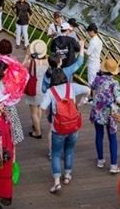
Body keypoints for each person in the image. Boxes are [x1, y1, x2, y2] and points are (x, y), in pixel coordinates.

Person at [39, 65, 90, 193]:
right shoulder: (71, 87)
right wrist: (82, 102)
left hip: (58, 128)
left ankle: (57, 182)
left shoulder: (51, 91)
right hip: (73, 126)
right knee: (69, 150)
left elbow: (43, 107)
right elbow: (88, 90)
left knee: (56, 154)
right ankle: (67, 176)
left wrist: (49, 113)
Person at [90, 57, 120, 173]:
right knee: (112, 137)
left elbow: (92, 87)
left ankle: (100, 160)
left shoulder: (97, 79)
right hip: (110, 113)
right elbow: (119, 100)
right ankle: (113, 165)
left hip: (98, 111)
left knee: (99, 135)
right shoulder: (114, 83)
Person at [23, 39, 49, 139]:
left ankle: (37, 132)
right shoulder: (47, 61)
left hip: (33, 88)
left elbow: (21, 67)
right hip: (43, 88)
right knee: (38, 107)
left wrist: (27, 55)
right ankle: (37, 125)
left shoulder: (31, 62)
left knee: (33, 112)